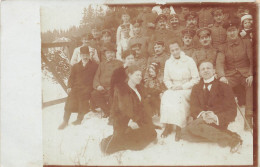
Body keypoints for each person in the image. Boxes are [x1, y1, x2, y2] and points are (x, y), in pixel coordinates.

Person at [181, 61, 242, 153]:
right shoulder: (196, 88)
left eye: (208, 68)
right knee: (184, 134)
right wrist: (203, 114)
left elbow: (232, 111)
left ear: (214, 71)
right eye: (203, 69)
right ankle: (229, 135)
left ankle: (232, 141)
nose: (205, 70)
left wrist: (215, 117)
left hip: (217, 121)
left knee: (192, 128)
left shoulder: (225, 86)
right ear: (200, 73)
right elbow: (194, 108)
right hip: (202, 120)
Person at [100, 65, 157, 154]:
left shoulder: (139, 87)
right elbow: (125, 109)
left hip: (137, 119)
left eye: (140, 75)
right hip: (124, 120)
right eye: (137, 75)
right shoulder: (122, 88)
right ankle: (112, 142)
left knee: (152, 134)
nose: (139, 77)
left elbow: (143, 104)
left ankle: (121, 138)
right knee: (136, 143)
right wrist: (133, 122)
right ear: (130, 75)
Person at [216, 19, 253, 131]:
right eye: (229, 31)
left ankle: (249, 117)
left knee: (252, 84)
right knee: (220, 85)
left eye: (233, 30)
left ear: (238, 30)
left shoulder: (246, 42)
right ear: (226, 33)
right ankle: (223, 117)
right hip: (231, 74)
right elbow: (219, 62)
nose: (231, 33)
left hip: (245, 73)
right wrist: (222, 76)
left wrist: (251, 74)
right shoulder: (223, 47)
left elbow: (253, 60)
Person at [160, 40, 200, 141]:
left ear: (180, 48)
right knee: (166, 96)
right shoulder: (168, 62)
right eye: (172, 50)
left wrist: (183, 86)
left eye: (176, 49)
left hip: (186, 87)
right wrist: (171, 86)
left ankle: (179, 127)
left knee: (178, 98)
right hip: (173, 87)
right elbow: (166, 79)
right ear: (170, 51)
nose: (175, 52)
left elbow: (196, 78)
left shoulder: (189, 60)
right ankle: (168, 125)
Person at [58, 46, 98, 130]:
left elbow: (97, 78)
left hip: (88, 87)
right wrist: (69, 86)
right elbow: (71, 77)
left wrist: (94, 87)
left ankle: (79, 119)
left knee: (82, 98)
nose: (85, 57)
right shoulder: (76, 66)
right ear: (80, 55)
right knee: (70, 99)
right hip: (76, 87)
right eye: (83, 55)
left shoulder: (95, 66)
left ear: (89, 55)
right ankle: (65, 121)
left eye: (87, 55)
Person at [92, 43, 123, 117]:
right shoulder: (102, 64)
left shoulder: (120, 64)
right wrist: (98, 85)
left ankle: (112, 113)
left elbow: (122, 78)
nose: (110, 55)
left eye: (112, 52)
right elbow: (96, 77)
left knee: (112, 96)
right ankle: (107, 111)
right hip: (103, 88)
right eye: (108, 53)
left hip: (114, 88)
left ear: (115, 53)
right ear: (105, 54)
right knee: (94, 94)